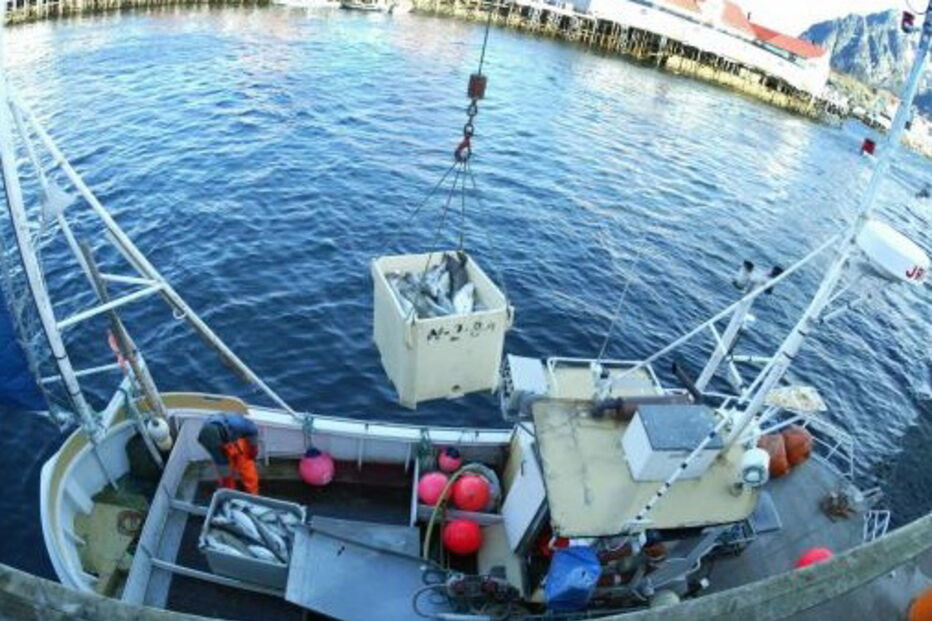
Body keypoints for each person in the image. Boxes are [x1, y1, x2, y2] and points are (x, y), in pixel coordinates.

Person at [197, 413, 260, 494]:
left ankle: (253, 493)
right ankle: (229, 492)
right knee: (225, 474)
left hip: (240, 439)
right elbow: (221, 461)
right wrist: (226, 480)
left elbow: (253, 429)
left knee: (247, 468)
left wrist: (253, 448)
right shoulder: (208, 441)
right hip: (225, 441)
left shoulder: (237, 424)